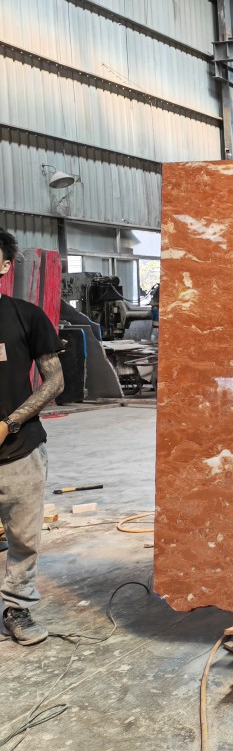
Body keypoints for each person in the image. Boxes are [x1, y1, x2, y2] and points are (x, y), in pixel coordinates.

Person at [0, 228, 65, 646]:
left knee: (23, 538)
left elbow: (54, 381)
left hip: (20, 449)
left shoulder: (26, 316)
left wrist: (8, 423)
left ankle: (16, 609)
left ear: (5, 266)